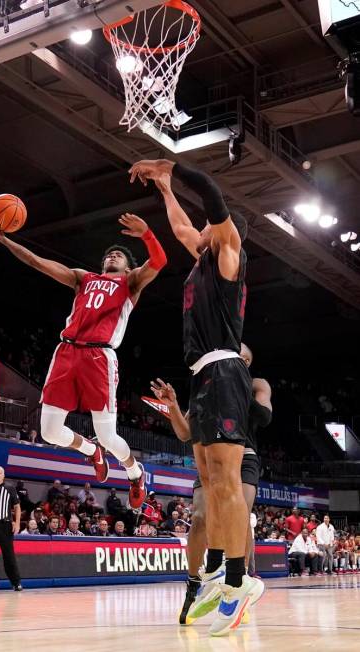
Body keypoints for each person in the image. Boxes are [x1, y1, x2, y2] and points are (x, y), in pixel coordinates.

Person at [130, 158, 262, 635]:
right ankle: (221, 576)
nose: (200, 228)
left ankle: (238, 580)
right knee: (208, 480)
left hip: (226, 371)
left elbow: (209, 198)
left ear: (225, 229)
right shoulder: (204, 254)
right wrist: (164, 189)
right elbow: (184, 224)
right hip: (202, 377)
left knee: (226, 482)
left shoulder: (229, 252)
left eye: (210, 223)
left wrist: (174, 168)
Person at [0, 211, 167, 509]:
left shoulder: (131, 283)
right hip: (67, 352)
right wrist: (5, 240)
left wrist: (147, 233)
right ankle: (90, 452)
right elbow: (37, 262)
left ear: (127, 267)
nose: (113, 256)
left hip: (100, 356)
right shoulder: (83, 278)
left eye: (119, 255)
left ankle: (135, 475)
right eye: (110, 254)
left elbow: (159, 262)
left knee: (108, 436)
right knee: (49, 432)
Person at [151, 343, 271, 626]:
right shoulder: (205, 382)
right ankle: (196, 583)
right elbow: (184, 433)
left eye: (243, 356)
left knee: (238, 515)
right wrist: (173, 408)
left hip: (244, 456)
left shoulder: (256, 384)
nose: (238, 356)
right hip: (210, 457)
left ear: (246, 362)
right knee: (200, 516)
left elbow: (264, 417)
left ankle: (240, 580)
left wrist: (234, 388)